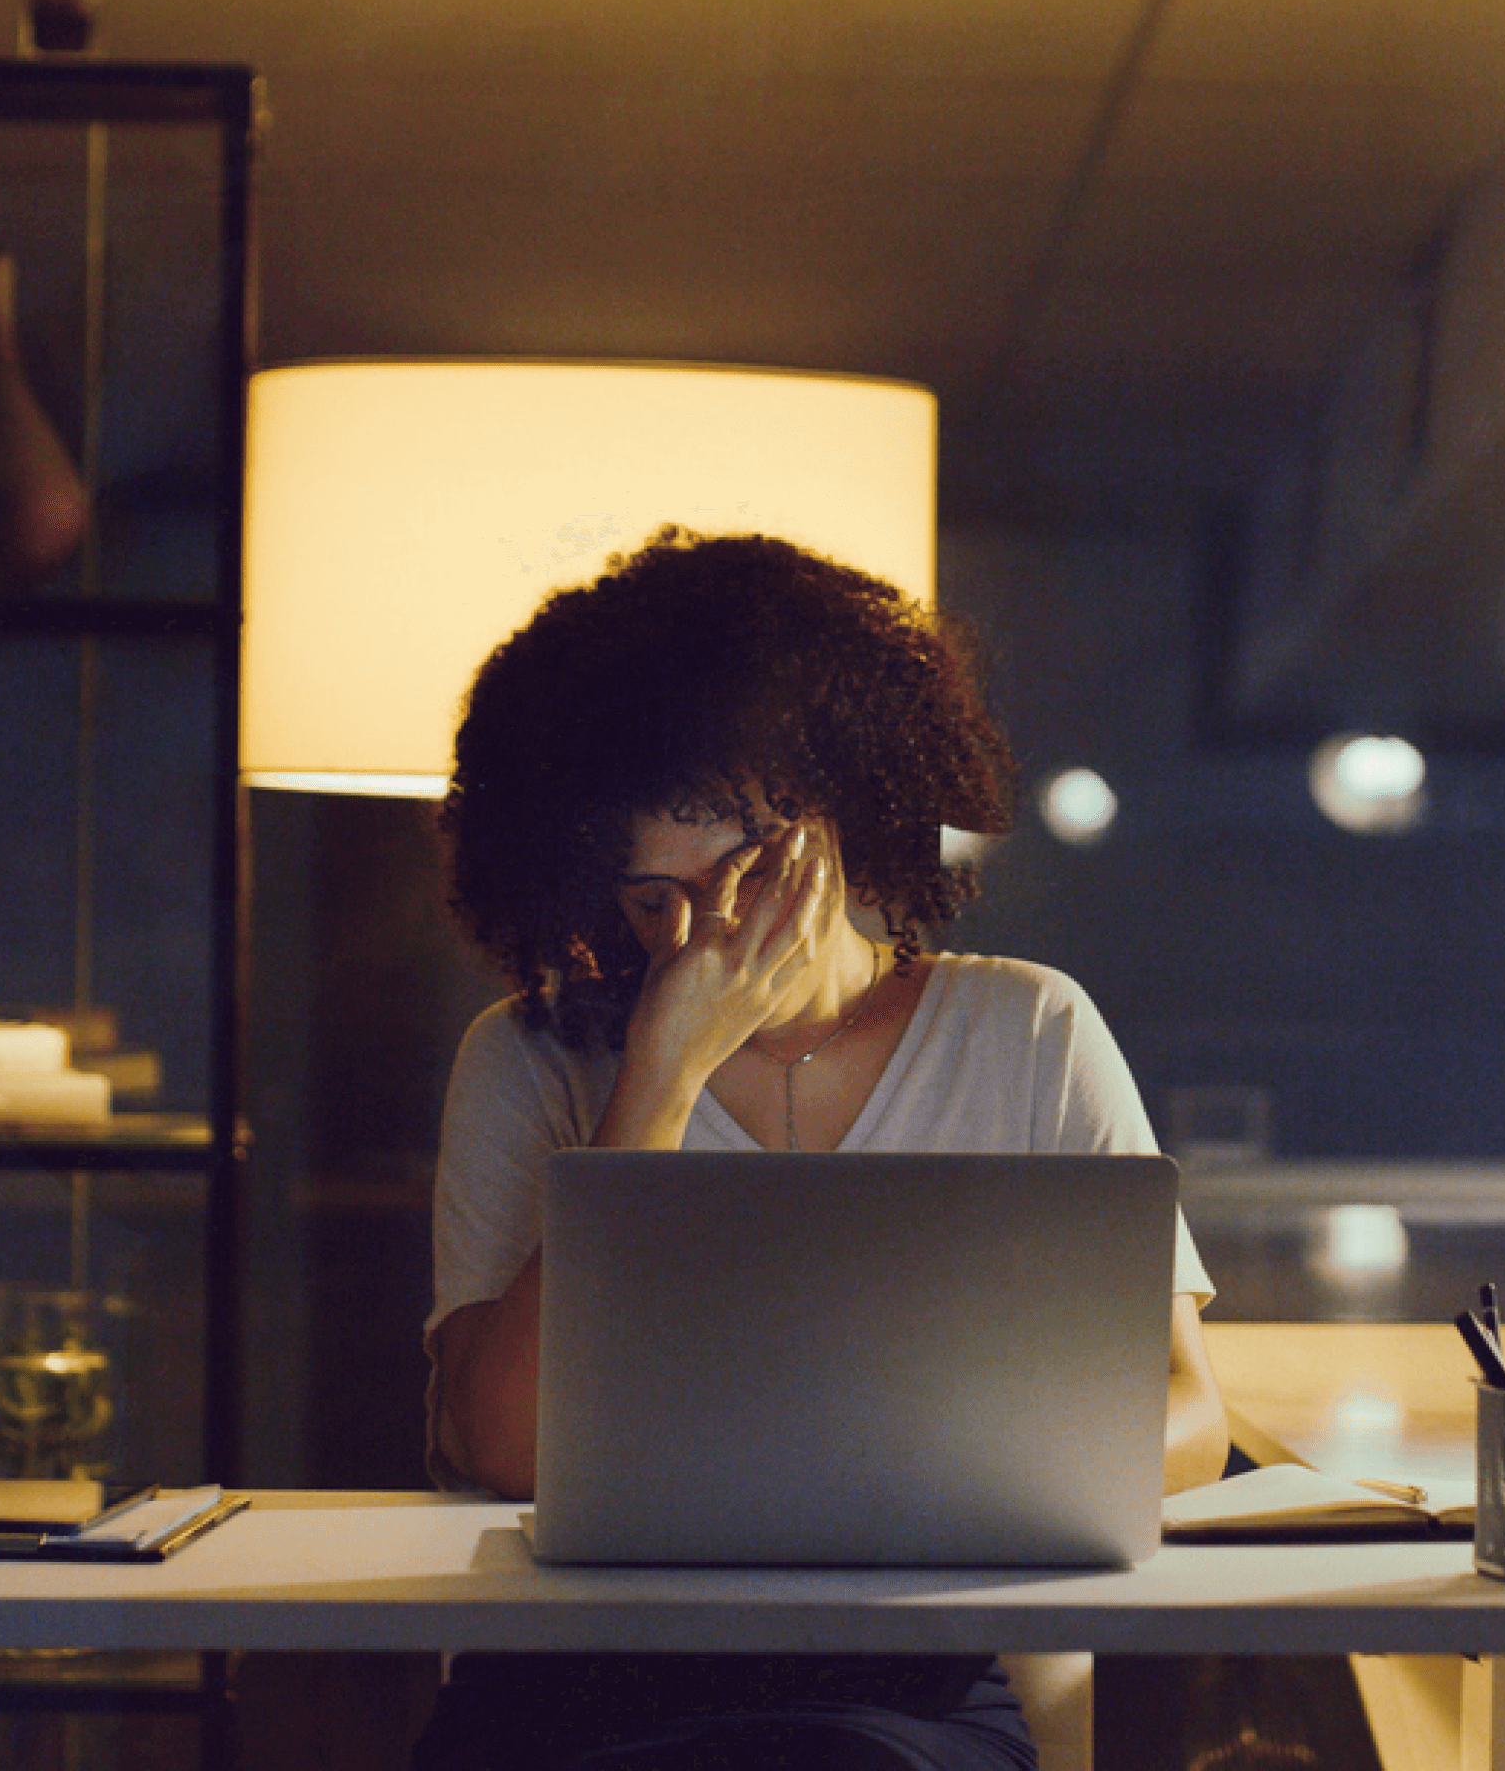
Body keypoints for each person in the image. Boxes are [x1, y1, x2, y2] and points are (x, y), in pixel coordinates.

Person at [412, 528, 1227, 1771]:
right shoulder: (528, 1060)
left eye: (743, 866)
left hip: (899, 1675)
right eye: (650, 898)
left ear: (844, 810)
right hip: (582, 1671)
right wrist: (663, 1074)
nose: (708, 932)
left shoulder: (1027, 1028)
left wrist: (918, 1501)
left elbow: (1186, 1415)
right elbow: (501, 1446)